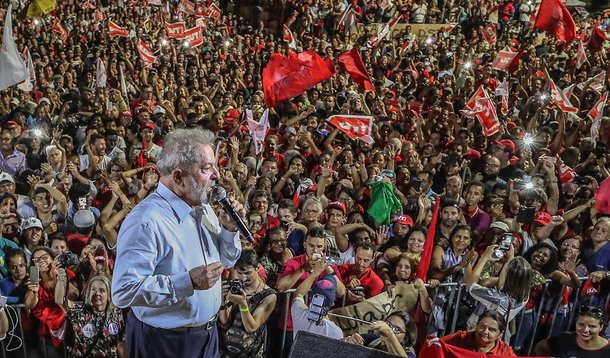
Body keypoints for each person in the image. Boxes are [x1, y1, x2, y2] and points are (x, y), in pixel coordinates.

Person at [111, 128, 245, 358]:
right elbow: (124, 291)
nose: (217, 175)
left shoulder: (203, 207)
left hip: (207, 337)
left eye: (215, 166)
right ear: (178, 177)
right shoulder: (147, 221)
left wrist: (229, 231)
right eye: (206, 168)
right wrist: (187, 282)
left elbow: (226, 261)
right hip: (165, 343)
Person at [219, 250, 277, 358]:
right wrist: (222, 302)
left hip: (250, 352)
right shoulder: (235, 288)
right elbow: (224, 323)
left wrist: (243, 305)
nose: (243, 278)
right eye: (239, 273)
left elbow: (251, 327)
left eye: (248, 273)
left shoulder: (269, 295)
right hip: (226, 350)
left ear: (257, 268)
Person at [62, 275, 126, 357]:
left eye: (102, 290)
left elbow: (121, 342)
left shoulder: (117, 313)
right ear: (89, 293)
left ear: (109, 296)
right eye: (93, 289)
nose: (97, 293)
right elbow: (60, 302)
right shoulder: (80, 312)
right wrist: (61, 276)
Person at [535, 306, 610, 357]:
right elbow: (540, 347)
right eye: (581, 324)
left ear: (601, 327)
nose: (585, 330)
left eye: (592, 326)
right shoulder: (564, 339)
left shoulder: (607, 351)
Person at [441, 311, 516, 356]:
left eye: (491, 330)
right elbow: (436, 345)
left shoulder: (505, 352)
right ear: (476, 325)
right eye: (482, 326)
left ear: (500, 333)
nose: (485, 332)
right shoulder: (460, 338)